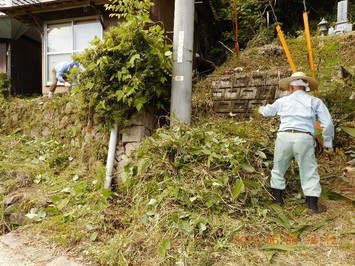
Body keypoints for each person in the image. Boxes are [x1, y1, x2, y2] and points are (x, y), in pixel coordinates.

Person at [258, 72, 334, 214]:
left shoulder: (283, 101)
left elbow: (267, 111)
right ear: (306, 88)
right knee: (308, 171)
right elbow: (328, 124)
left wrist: (260, 109)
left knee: (278, 169)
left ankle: (278, 202)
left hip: (284, 137)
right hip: (303, 138)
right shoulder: (315, 101)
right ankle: (312, 207)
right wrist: (328, 143)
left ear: (291, 88)